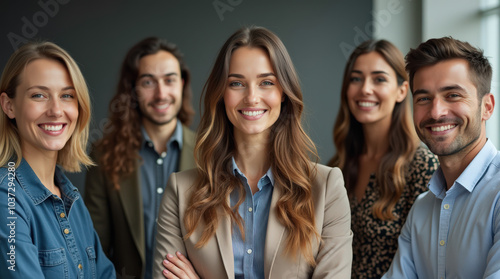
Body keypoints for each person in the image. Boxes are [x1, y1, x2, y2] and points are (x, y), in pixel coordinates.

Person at [152, 26, 353, 279]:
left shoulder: (326, 189)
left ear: (284, 93)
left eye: (266, 82)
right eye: (236, 83)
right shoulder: (181, 191)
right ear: (221, 94)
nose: (252, 97)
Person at [382, 37, 499, 278]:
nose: (436, 112)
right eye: (423, 99)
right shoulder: (421, 209)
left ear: (487, 106)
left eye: (453, 95)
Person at [0, 41, 115, 278]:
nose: (55, 110)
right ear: (9, 105)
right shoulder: (6, 199)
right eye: (39, 95)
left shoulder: (71, 198)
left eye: (67, 95)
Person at [84, 37, 196, 278]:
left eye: (169, 80)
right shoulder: (104, 155)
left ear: (182, 83)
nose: (161, 93)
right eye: (148, 82)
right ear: (132, 87)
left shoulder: (210, 153)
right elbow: (94, 249)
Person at [328, 39, 439, 278]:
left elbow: (429, 262)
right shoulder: (337, 166)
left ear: (401, 91)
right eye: (356, 79)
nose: (365, 89)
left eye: (379, 79)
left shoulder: (423, 166)